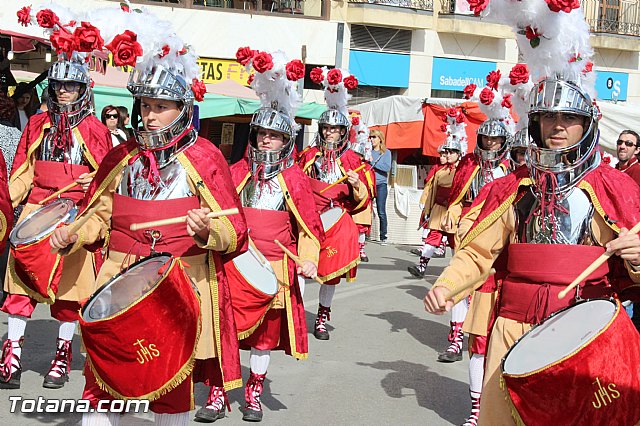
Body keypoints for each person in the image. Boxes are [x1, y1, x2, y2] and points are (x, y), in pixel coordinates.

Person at [423, 4, 640, 424]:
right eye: (549, 118)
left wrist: (636, 260)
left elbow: (633, 272)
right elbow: (478, 253)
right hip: (513, 329)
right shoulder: (513, 187)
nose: (558, 127)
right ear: (535, 124)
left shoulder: (615, 188)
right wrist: (448, 285)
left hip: (584, 335)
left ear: (586, 124)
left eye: (569, 119)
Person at [49, 7, 247, 425]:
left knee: (170, 391)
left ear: (182, 107)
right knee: (100, 385)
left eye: (161, 106)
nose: (149, 115)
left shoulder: (205, 157)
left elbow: (235, 230)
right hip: (118, 280)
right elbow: (100, 216)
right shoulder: (121, 156)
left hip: (178, 285)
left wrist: (210, 230)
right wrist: (75, 233)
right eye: (145, 105)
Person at [195, 49, 323, 423]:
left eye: (274, 136)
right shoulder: (233, 170)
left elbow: (309, 228)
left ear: (286, 141)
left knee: (264, 339)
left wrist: (310, 258)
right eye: (262, 134)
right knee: (225, 330)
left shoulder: (296, 179)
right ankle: (218, 393)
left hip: (278, 269)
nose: (267, 141)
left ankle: (253, 392)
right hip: (236, 264)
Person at [0, 11, 112, 390]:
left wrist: (90, 220)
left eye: (71, 86)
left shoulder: (96, 130)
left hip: (74, 219)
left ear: (83, 90)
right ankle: (11, 353)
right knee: (18, 291)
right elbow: (22, 173)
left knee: (69, 296)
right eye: (59, 85)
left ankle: (62, 355)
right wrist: (4, 207)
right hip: (34, 211)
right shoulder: (36, 123)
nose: (63, 90)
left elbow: (105, 186)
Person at [297, 67, 368, 341]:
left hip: (337, 221)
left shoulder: (353, 160)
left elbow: (362, 199)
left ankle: (323, 316)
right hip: (309, 219)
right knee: (300, 267)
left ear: (344, 132)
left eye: (336, 130)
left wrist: (355, 184)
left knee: (330, 275)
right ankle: (297, 314)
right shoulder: (308, 155)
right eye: (326, 128)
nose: (329, 133)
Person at [408, 112, 465, 279]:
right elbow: (432, 191)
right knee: (432, 238)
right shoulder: (440, 171)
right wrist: (427, 209)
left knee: (456, 242)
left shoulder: (464, 172)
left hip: (455, 212)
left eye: (451, 152)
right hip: (439, 210)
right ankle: (421, 266)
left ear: (458, 153)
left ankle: (457, 271)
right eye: (446, 152)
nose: (447, 155)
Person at [411, 145, 448, 257]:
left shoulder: (452, 170)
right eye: (441, 155)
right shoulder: (436, 167)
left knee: (443, 225)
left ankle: (442, 247)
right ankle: (424, 246)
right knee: (427, 221)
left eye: (444, 155)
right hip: (433, 199)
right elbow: (429, 184)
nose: (442, 157)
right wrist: (425, 199)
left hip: (445, 202)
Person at [350, 116, 375, 262]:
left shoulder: (366, 168)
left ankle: (361, 249)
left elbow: (371, 185)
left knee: (362, 226)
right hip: (352, 200)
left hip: (365, 201)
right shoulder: (349, 166)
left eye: (358, 155)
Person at [370, 129, 391, 245]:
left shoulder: (386, 152)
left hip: (381, 184)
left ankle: (383, 236)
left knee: (381, 211)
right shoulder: (368, 152)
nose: (372, 140)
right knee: (365, 209)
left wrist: (373, 162)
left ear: (380, 139)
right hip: (369, 183)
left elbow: (387, 167)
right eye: (371, 137)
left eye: (374, 137)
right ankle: (364, 234)